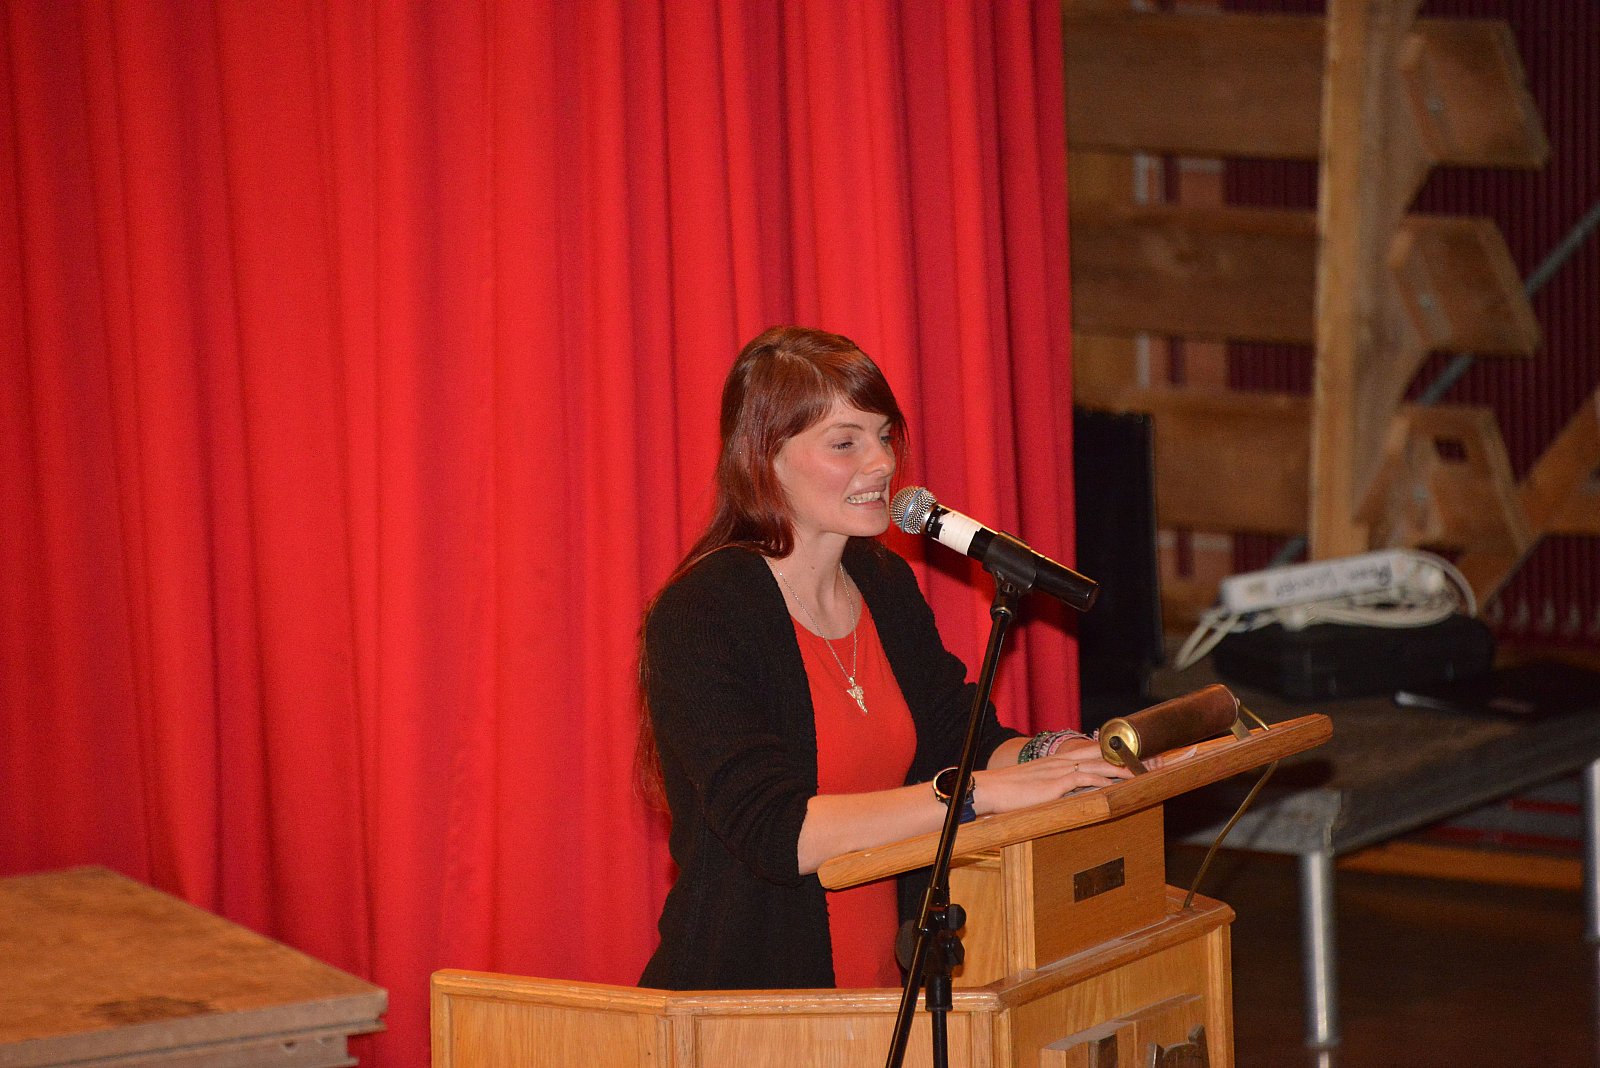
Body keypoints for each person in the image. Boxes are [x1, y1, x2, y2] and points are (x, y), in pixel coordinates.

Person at [636, 325, 1131, 991]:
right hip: (750, 1004)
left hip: (889, 994)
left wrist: (1067, 757)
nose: (881, 463)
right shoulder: (701, 613)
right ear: (764, 458)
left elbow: (962, 739)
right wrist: (983, 795)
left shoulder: (883, 583)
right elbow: (778, 831)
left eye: (884, 436)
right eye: (845, 443)